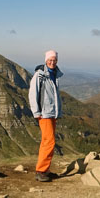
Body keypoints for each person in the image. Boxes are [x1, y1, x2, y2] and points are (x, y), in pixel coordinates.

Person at [28, 50, 63, 182]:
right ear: (46, 60)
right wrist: (36, 112)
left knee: (46, 141)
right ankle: (41, 171)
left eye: (54, 60)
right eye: (50, 59)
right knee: (49, 141)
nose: (52, 62)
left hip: (52, 113)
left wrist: (58, 112)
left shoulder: (54, 75)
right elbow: (33, 93)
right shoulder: (40, 75)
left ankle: (44, 170)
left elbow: (55, 96)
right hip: (44, 113)